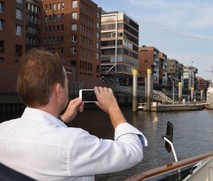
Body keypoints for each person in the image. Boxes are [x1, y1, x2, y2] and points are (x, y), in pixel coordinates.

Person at [0, 48, 147, 181]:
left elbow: (40, 136)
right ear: (58, 90)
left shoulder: (3, 131)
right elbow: (133, 152)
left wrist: (62, 120)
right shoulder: (72, 142)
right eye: (66, 84)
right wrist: (113, 108)